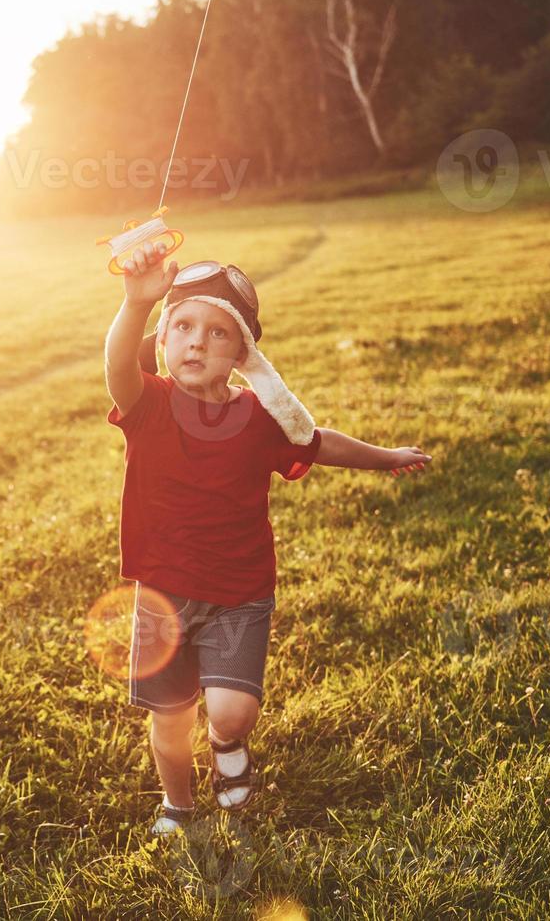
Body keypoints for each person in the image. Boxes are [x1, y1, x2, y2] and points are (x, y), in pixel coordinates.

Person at [104, 243, 432, 836]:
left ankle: (229, 746)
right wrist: (134, 304)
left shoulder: (258, 419)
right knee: (170, 720)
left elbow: (318, 442)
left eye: (217, 333)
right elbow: (116, 367)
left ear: (242, 354)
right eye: (182, 326)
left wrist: (387, 459)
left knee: (232, 712)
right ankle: (177, 805)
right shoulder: (149, 404)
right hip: (163, 598)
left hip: (238, 592)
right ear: (163, 341)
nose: (197, 342)